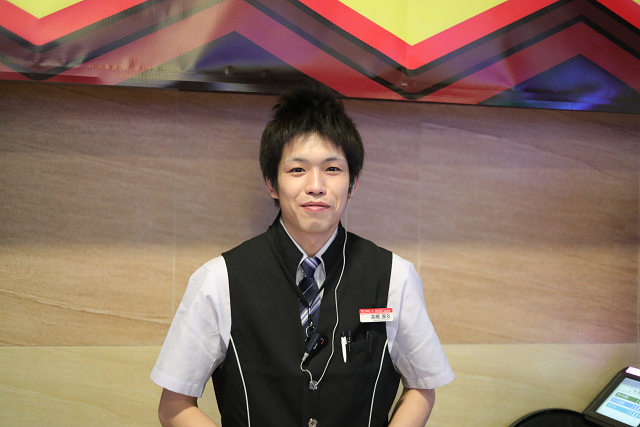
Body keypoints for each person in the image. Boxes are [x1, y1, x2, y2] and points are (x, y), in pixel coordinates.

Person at [151, 84, 454, 427]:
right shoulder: (218, 280)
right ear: (271, 183)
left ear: (352, 184)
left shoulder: (394, 277)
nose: (316, 186)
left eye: (332, 169)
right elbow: (174, 405)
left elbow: (422, 385)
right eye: (297, 170)